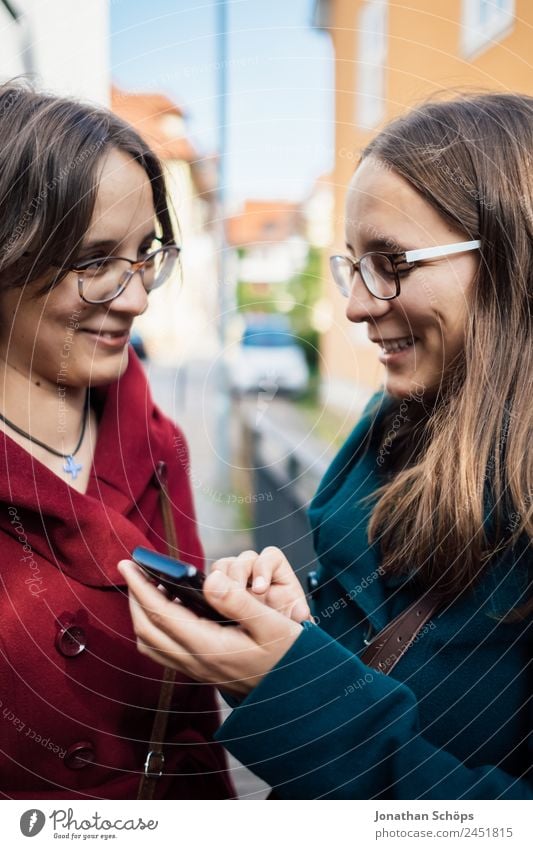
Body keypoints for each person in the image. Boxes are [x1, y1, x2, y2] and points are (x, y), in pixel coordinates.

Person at [120, 92, 532, 800]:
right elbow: (396, 673)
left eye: (392, 261)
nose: (355, 305)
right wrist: (303, 639)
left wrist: (300, 692)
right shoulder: (389, 429)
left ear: (509, 257)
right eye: (353, 265)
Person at [0, 81, 233, 800]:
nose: (135, 296)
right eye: (95, 260)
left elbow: (191, 716)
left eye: (144, 255)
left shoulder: (158, 444)